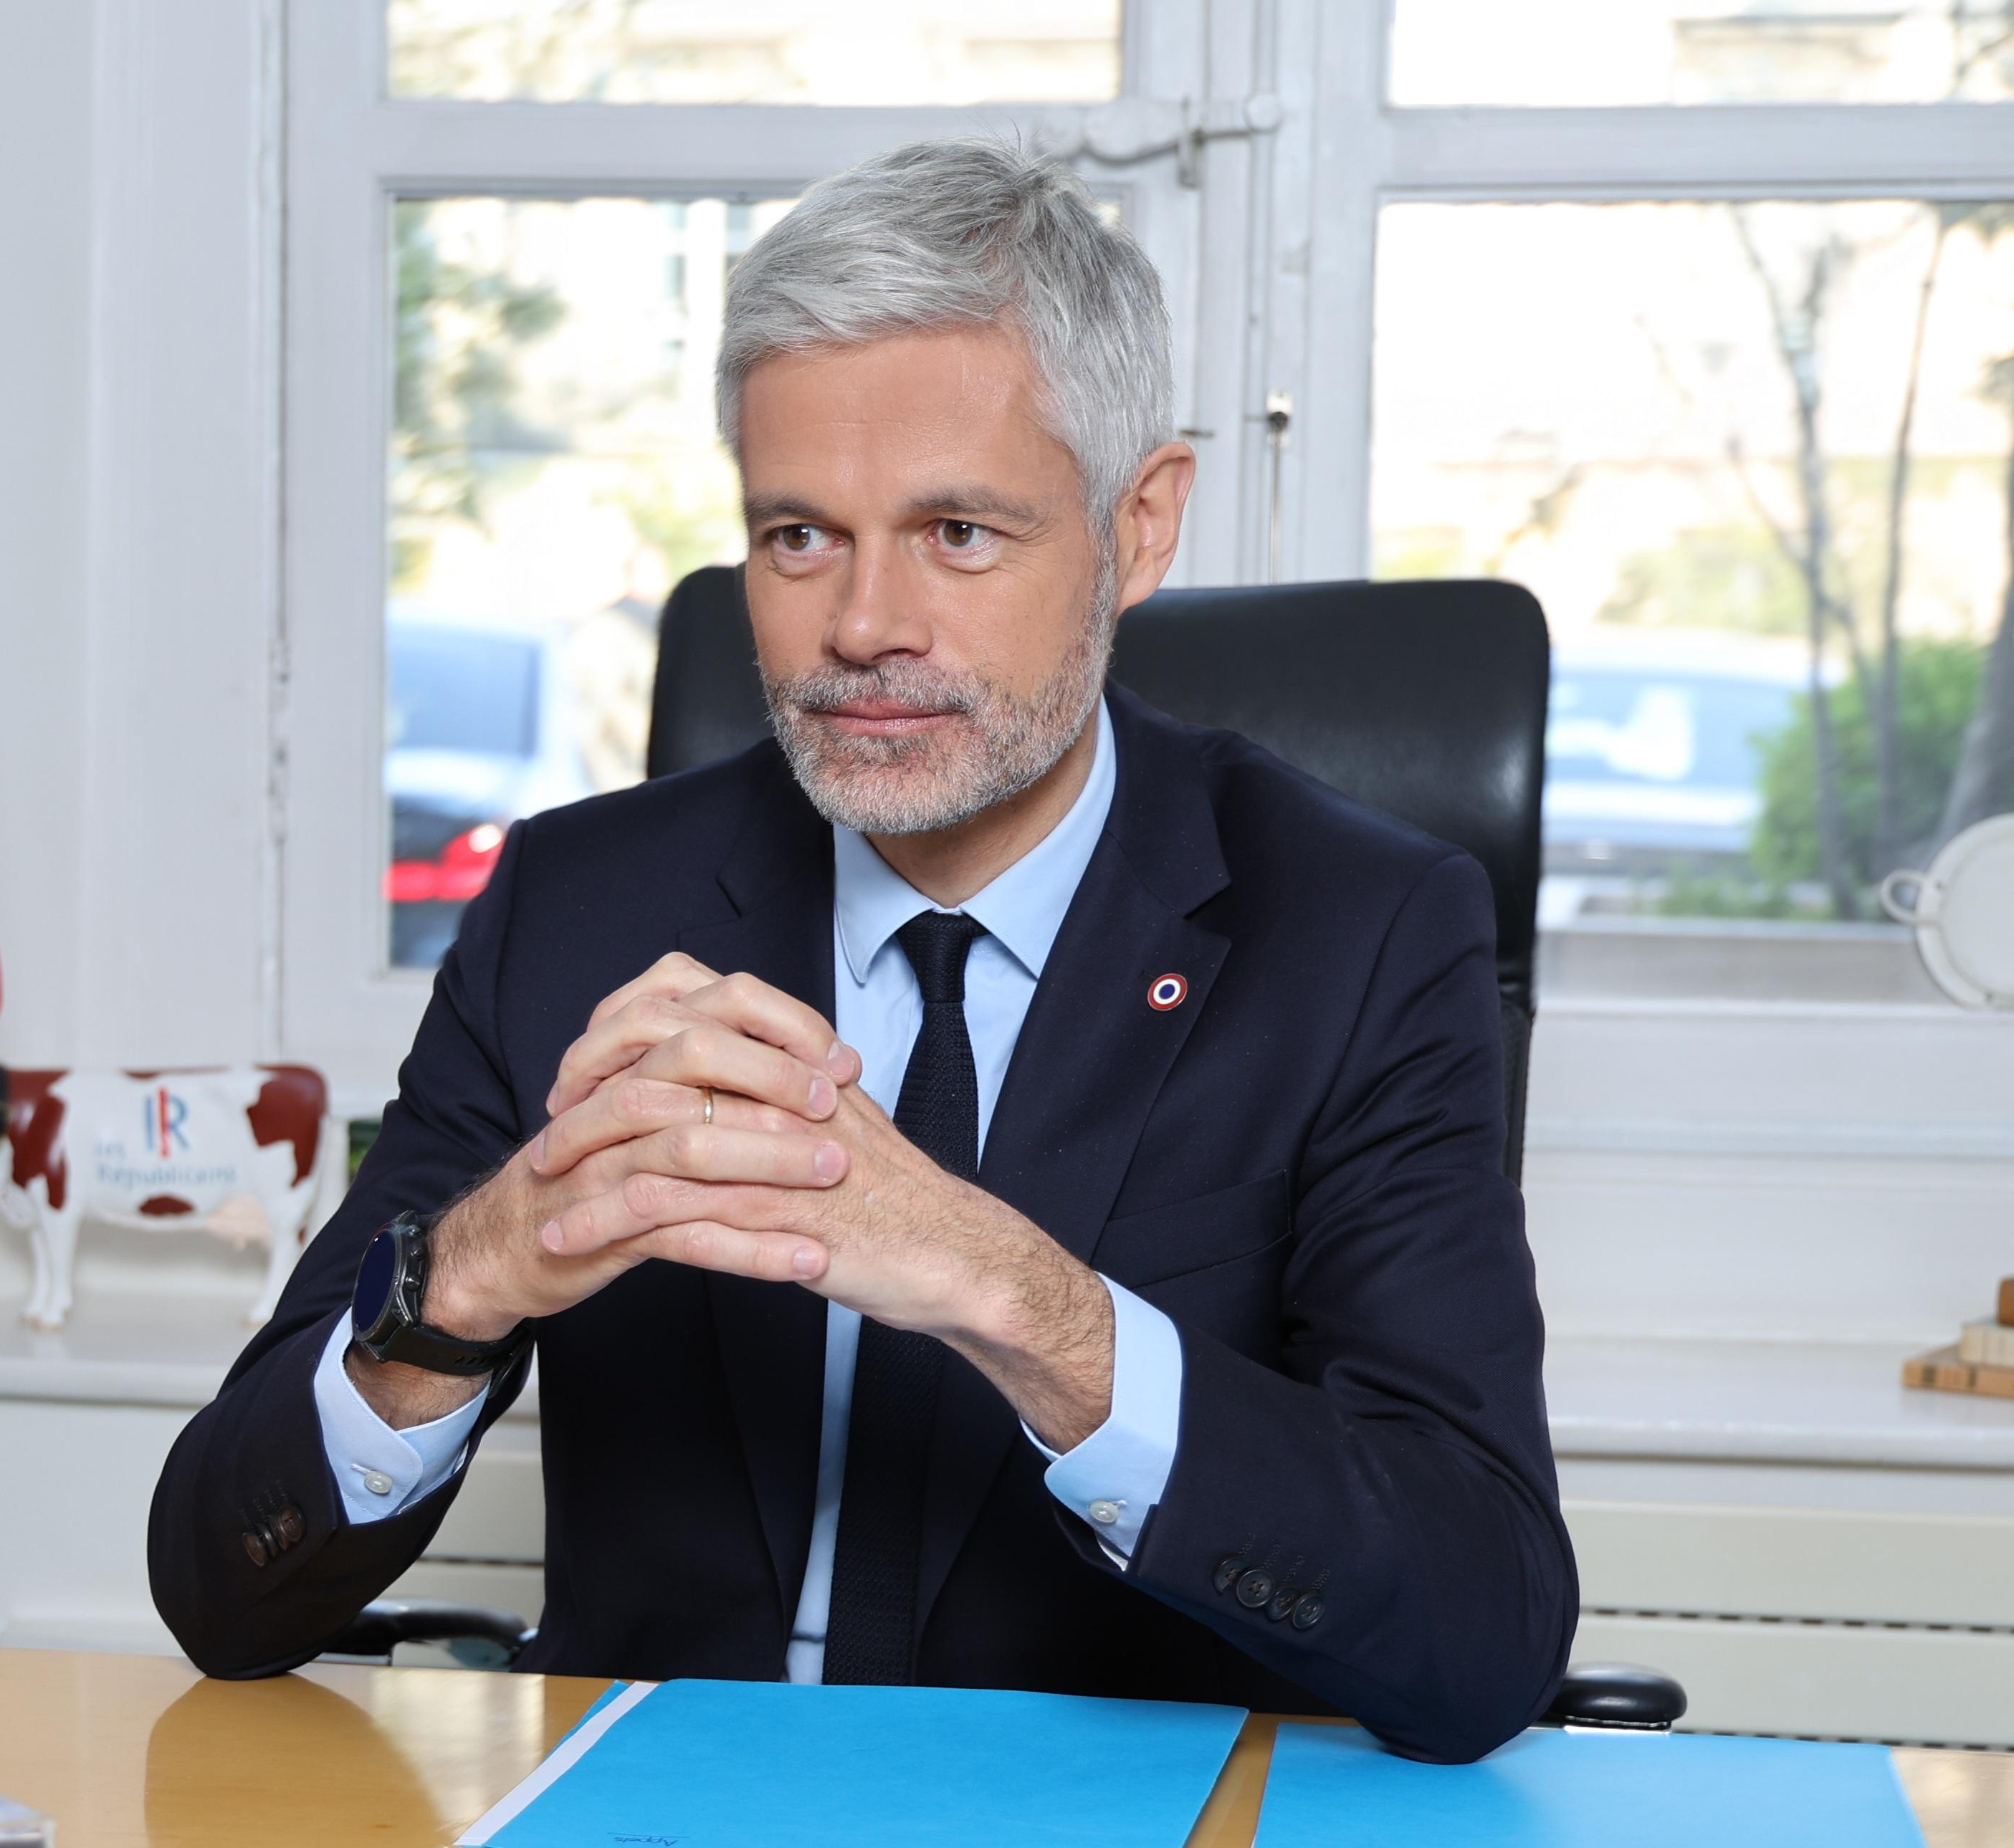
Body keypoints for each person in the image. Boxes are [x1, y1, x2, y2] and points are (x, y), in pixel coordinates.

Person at [148, 138, 1575, 1763]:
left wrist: (1023, 1301)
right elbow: (218, 1588)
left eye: (956, 532)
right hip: (668, 1808)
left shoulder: (1358, 931)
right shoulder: (580, 907)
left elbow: (1481, 1630)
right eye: (797, 536)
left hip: (1112, 1814)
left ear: (1140, 525)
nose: (860, 626)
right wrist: (463, 1281)